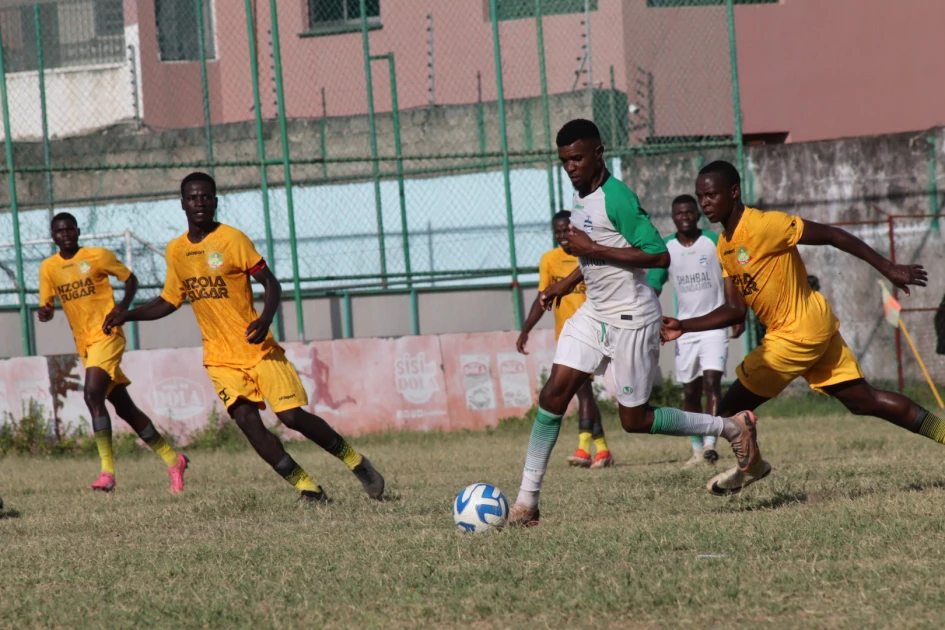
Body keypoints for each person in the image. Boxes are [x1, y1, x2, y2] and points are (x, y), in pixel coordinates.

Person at [508, 120, 762, 526]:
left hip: (631, 317)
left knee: (636, 420)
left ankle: (731, 428)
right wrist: (566, 282)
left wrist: (593, 248)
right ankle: (526, 505)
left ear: (598, 154)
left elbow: (657, 256)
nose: (570, 167)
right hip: (594, 312)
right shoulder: (581, 195)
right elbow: (593, 254)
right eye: (564, 161)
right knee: (554, 395)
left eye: (577, 158)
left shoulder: (618, 198)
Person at [661, 160, 941, 495]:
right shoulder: (724, 246)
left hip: (796, 334)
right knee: (864, 401)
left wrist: (888, 267)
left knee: (727, 410)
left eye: (711, 195)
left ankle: (753, 466)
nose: (704, 202)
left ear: (734, 192)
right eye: (700, 196)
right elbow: (736, 310)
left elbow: (833, 235)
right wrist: (684, 325)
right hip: (811, 328)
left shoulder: (765, 224)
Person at [104, 172, 385, 503]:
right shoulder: (176, 250)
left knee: (292, 417)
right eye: (193, 198)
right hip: (220, 359)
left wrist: (265, 318)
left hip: (257, 349)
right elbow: (169, 300)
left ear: (215, 201)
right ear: (182, 204)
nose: (200, 203)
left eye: (206, 197)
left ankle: (356, 462)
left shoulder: (232, 240)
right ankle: (308, 489)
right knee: (250, 425)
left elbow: (270, 283)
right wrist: (128, 314)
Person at [38, 212, 188, 493]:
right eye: (60, 231)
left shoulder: (98, 256)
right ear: (53, 236)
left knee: (92, 394)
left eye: (70, 229)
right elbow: (46, 305)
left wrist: (122, 307)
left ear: (78, 231)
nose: (66, 234)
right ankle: (173, 458)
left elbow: (130, 279)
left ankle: (107, 472)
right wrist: (45, 312)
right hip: (85, 345)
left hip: (107, 335)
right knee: (124, 408)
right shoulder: (49, 268)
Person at [647, 195, 744, 468]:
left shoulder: (713, 242)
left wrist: (739, 311)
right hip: (683, 330)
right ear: (673, 217)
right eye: (680, 213)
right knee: (690, 391)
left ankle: (712, 443)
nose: (685, 216)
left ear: (698, 214)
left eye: (690, 212)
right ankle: (697, 448)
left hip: (713, 326)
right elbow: (654, 282)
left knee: (712, 382)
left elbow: (733, 275)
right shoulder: (667, 248)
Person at [517, 210, 613, 470]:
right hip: (567, 336)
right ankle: (599, 450)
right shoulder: (549, 260)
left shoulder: (591, 257)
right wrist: (526, 330)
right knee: (583, 392)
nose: (562, 236)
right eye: (558, 232)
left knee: (584, 393)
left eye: (566, 231)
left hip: (595, 333)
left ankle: (587, 449)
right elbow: (543, 297)